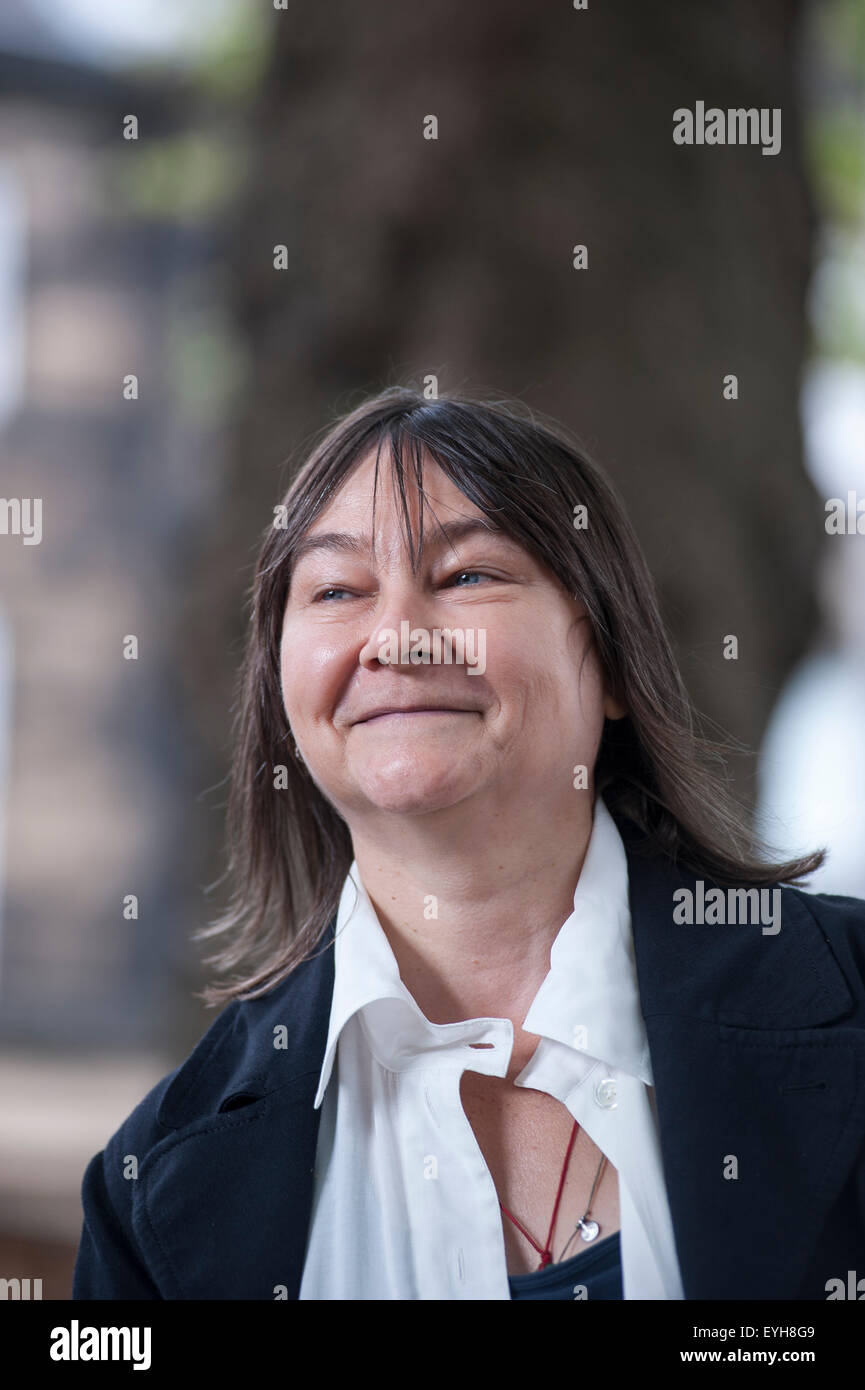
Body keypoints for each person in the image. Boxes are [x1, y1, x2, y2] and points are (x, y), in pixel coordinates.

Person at [73, 386, 865, 1300]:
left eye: (467, 577)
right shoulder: (152, 1183)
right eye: (336, 590)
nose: (398, 638)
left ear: (609, 662)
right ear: (284, 695)